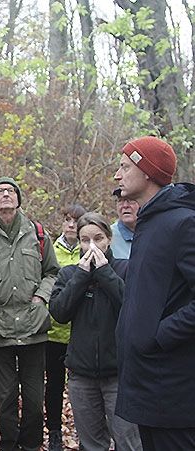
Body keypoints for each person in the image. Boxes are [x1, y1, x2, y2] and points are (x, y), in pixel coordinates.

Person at [0, 177, 60, 451]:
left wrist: (42, 298)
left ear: (18, 200)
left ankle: (31, 446)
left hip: (33, 328)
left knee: (33, 400)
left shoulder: (38, 233)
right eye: (0, 192)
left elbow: (52, 272)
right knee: (5, 398)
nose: (5, 195)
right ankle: (8, 445)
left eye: (10, 191)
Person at [114, 136, 195, 449]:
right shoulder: (148, 223)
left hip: (173, 391)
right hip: (147, 385)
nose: (117, 175)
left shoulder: (183, 223)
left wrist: (159, 335)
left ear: (147, 172)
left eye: (124, 166)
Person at [49, 212, 141, 451]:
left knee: (129, 442)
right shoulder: (69, 274)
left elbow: (132, 308)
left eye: (98, 238)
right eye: (85, 240)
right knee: (91, 444)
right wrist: (81, 276)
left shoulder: (125, 269)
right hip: (82, 375)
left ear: (109, 239)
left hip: (119, 374)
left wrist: (104, 273)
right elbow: (59, 312)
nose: (91, 246)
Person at [46, 203, 86, 451]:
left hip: (81, 332)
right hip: (53, 332)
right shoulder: (50, 250)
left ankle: (86, 434)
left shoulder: (89, 249)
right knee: (54, 384)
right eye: (67, 220)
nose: (71, 224)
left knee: (82, 388)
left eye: (76, 220)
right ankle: (54, 433)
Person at [109, 188, 139, 259]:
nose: (125, 206)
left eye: (131, 200)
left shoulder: (155, 232)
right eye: (120, 201)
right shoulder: (108, 237)